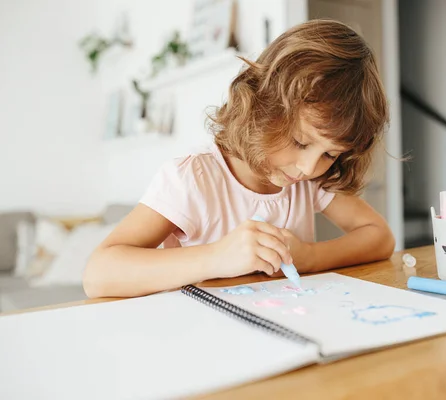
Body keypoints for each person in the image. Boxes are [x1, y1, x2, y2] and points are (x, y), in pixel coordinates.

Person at [83, 19, 395, 298]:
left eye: (330, 153)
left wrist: (310, 257)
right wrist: (217, 257)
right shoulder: (193, 178)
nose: (309, 167)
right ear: (264, 108)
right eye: (300, 141)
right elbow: (99, 274)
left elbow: (380, 237)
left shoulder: (310, 181)